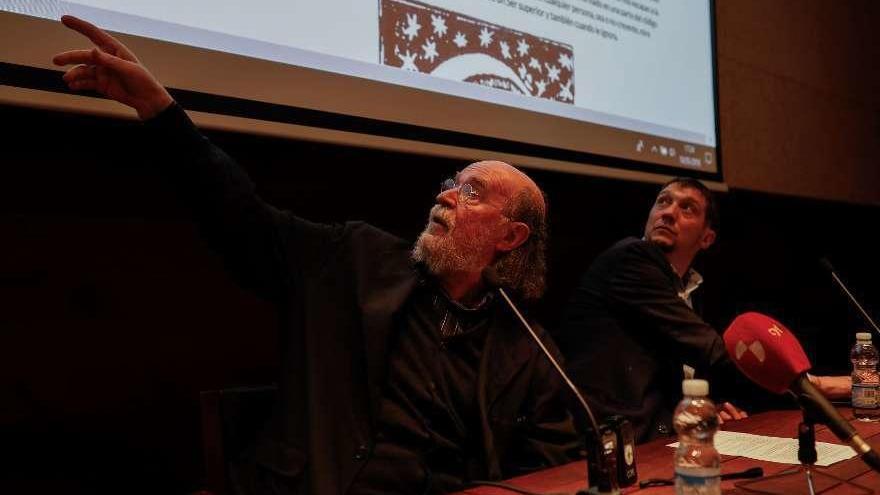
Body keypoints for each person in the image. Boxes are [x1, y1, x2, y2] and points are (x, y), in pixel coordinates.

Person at [53, 15, 580, 495]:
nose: (444, 196)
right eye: (450, 183)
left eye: (471, 193)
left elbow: (555, 466)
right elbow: (244, 220)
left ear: (510, 238)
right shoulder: (355, 259)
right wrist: (161, 113)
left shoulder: (527, 348)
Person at [556, 177, 849, 443]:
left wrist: (702, 410)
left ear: (707, 238)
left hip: (651, 436)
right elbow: (714, 352)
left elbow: (674, 369)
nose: (668, 212)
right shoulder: (631, 259)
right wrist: (818, 386)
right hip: (607, 441)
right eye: (663, 201)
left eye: (687, 208)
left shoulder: (686, 288)